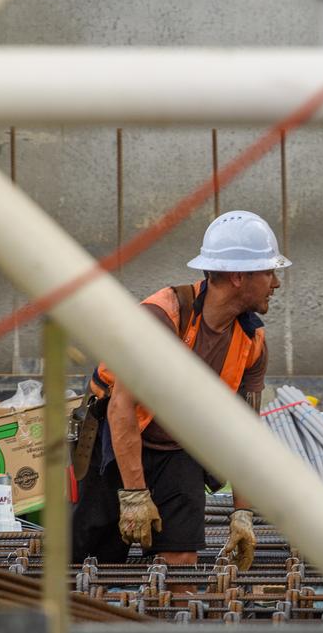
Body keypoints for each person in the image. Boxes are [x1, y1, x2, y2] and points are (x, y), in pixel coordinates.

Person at [70, 210, 290, 574]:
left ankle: (170, 623)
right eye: (268, 272)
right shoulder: (161, 318)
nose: (276, 283)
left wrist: (242, 513)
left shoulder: (252, 341)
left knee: (181, 563)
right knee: (92, 564)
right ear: (238, 276)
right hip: (120, 441)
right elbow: (121, 409)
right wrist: (135, 494)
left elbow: (246, 431)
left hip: (179, 449)